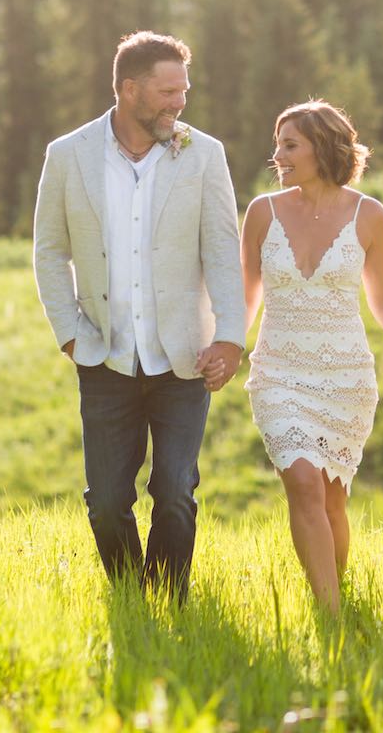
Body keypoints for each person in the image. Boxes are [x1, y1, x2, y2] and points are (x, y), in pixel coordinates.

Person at [33, 31, 245, 599]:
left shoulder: (204, 154)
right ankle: (131, 601)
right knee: (106, 502)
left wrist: (229, 337)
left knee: (175, 491)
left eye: (184, 90)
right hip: (103, 357)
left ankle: (170, 600)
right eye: (168, 91)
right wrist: (69, 334)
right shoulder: (68, 155)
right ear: (129, 89)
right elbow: (49, 252)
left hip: (184, 357)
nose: (181, 101)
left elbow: (223, 250)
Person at [242, 100, 383, 613]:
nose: (278, 156)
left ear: (323, 147)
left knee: (333, 500)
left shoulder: (369, 215)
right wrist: (219, 346)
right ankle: (331, 615)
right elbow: (245, 296)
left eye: (290, 145)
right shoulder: (262, 212)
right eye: (278, 145)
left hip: (345, 378)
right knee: (302, 482)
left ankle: (336, 599)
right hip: (278, 372)